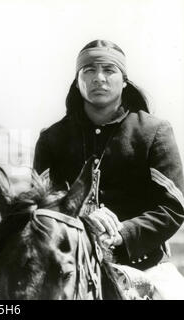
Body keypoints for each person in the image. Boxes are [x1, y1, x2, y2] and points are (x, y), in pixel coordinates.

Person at [33, 39, 184, 299]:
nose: (98, 78)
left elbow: (172, 207)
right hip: (68, 268)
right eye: (89, 70)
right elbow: (41, 207)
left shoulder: (154, 132)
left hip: (144, 265)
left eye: (108, 70)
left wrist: (123, 234)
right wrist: (84, 220)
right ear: (77, 80)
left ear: (124, 80)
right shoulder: (52, 138)